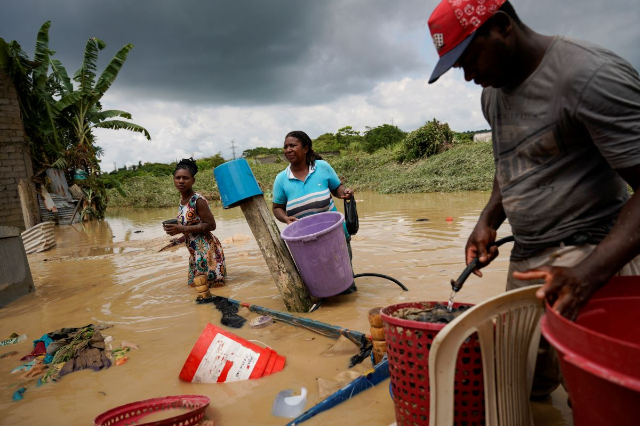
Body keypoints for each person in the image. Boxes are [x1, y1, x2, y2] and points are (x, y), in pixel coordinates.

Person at [427, 0, 640, 398]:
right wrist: (489, 218)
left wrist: (589, 274)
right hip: (527, 260)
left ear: (503, 26)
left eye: (470, 58)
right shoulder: (492, 95)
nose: (469, 75)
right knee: (519, 385)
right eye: (459, 68)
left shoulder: (588, 75)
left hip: (593, 256)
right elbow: (512, 162)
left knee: (598, 396)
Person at [272, 130, 357, 293]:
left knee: (345, 283)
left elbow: (336, 188)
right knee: (319, 286)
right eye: (285, 146)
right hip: (307, 243)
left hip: (335, 237)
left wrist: (344, 193)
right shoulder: (281, 179)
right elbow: (277, 208)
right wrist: (286, 219)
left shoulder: (322, 168)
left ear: (305, 148)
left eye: (292, 145)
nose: (288, 149)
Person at [163, 158, 226, 291]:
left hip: (206, 250)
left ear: (193, 181)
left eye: (185, 178)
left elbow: (211, 225)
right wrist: (177, 233)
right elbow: (192, 224)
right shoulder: (182, 200)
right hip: (194, 251)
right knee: (196, 288)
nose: (181, 181)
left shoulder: (198, 200)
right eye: (178, 178)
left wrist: (182, 228)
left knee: (212, 289)